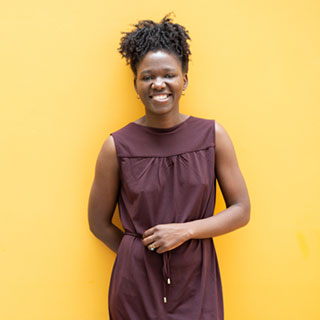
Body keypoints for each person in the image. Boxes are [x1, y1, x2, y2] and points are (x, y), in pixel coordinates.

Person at [88, 14, 250, 320]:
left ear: (184, 80)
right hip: (135, 286)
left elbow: (241, 209)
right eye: (147, 76)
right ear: (135, 83)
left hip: (196, 281)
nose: (158, 84)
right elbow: (98, 223)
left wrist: (185, 232)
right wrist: (138, 255)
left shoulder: (212, 136)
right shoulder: (116, 147)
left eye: (168, 75)